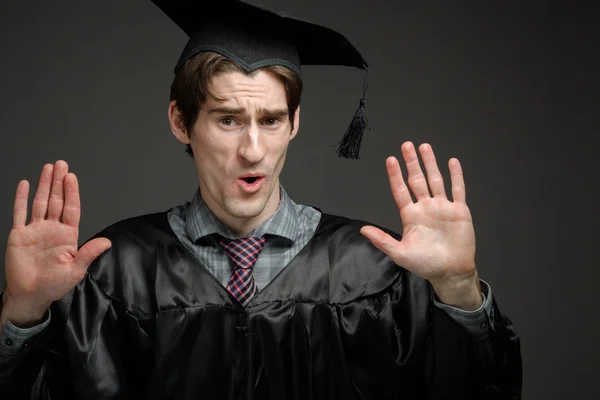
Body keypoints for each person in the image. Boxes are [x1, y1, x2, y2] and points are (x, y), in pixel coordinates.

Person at [0, 0, 522, 398]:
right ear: (182, 122)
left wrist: (458, 292)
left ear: (295, 123)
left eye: (270, 120)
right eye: (228, 119)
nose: (253, 149)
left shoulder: (375, 269)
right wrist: (23, 314)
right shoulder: (117, 271)